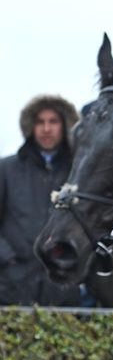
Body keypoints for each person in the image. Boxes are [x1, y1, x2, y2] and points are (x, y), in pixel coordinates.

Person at [0, 95, 81, 306]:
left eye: (53, 121)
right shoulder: (6, 169)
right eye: (40, 122)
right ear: (31, 126)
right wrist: (8, 261)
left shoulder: (79, 172)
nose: (46, 128)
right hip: (12, 288)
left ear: (64, 125)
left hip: (63, 289)